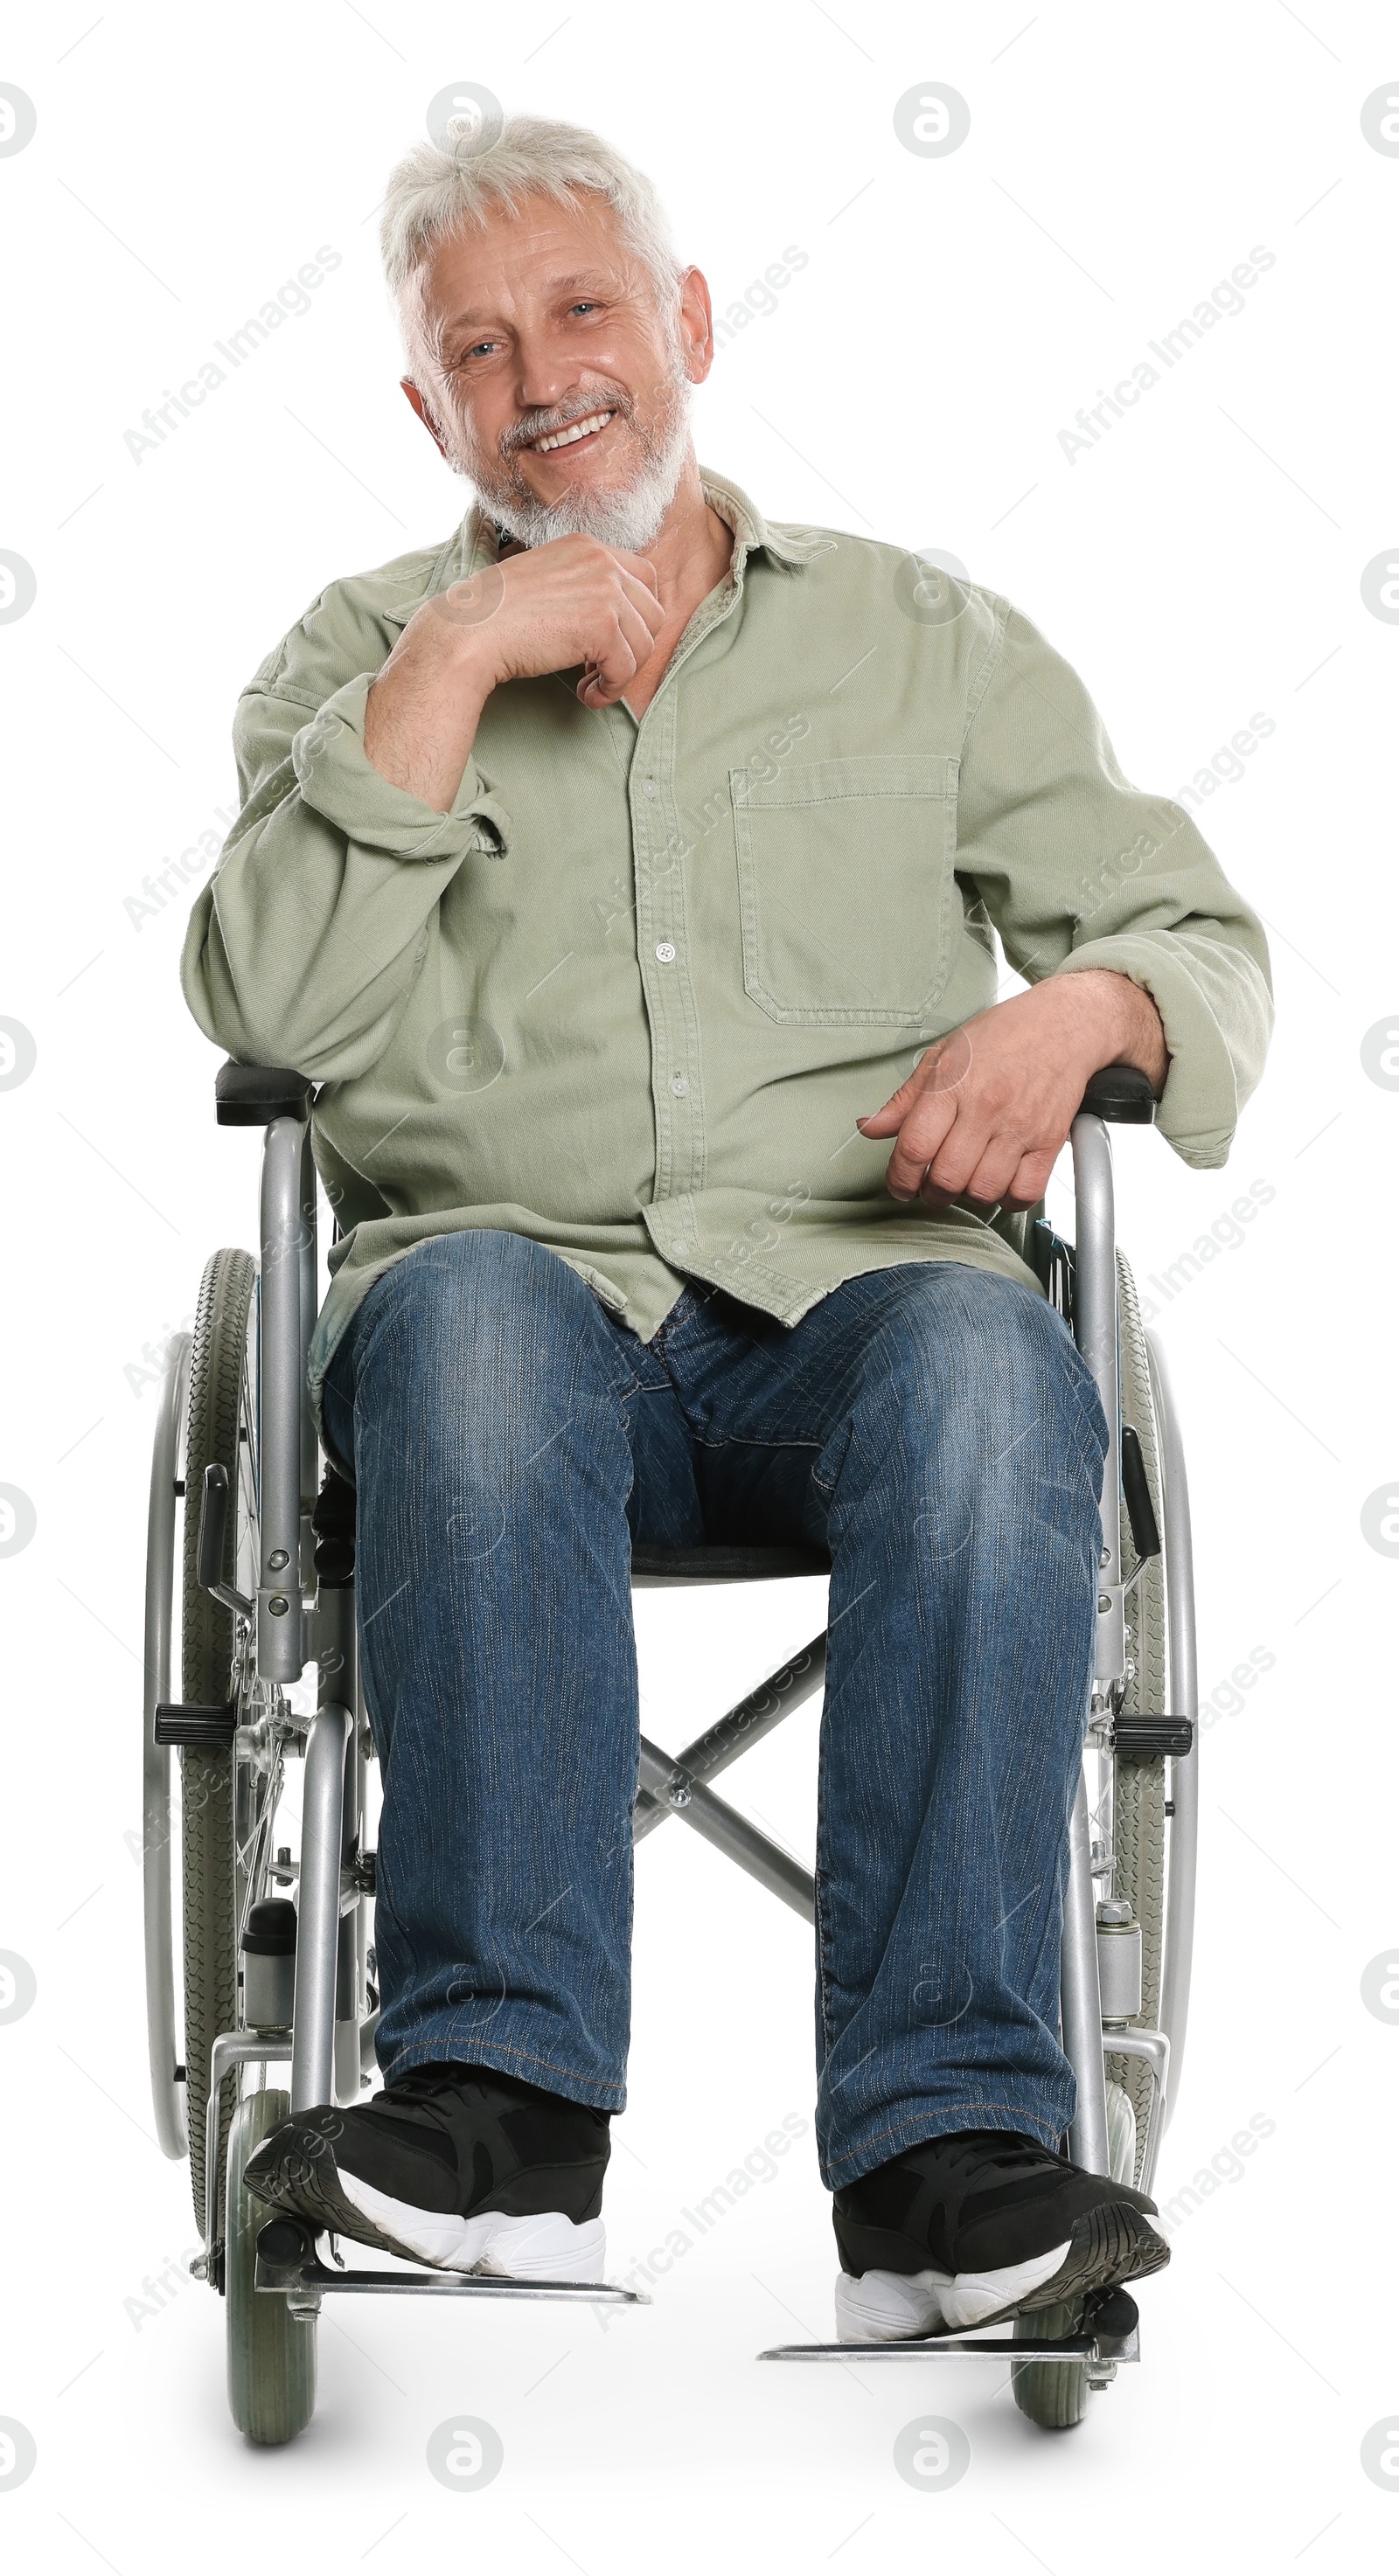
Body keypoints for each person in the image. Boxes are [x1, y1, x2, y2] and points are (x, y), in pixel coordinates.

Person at [182, 115, 1270, 2341]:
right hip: (507, 1320)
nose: (539, 376)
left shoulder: (917, 638)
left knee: (991, 1359)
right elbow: (265, 1007)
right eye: (474, 350)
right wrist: (466, 645)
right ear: (426, 414)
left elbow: (1199, 938)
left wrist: (1080, 1008)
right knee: (472, 1321)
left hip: (850, 1318)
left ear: (680, 324)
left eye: (582, 311)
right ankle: (491, 2121)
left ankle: (950, 2159)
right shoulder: (352, 657)